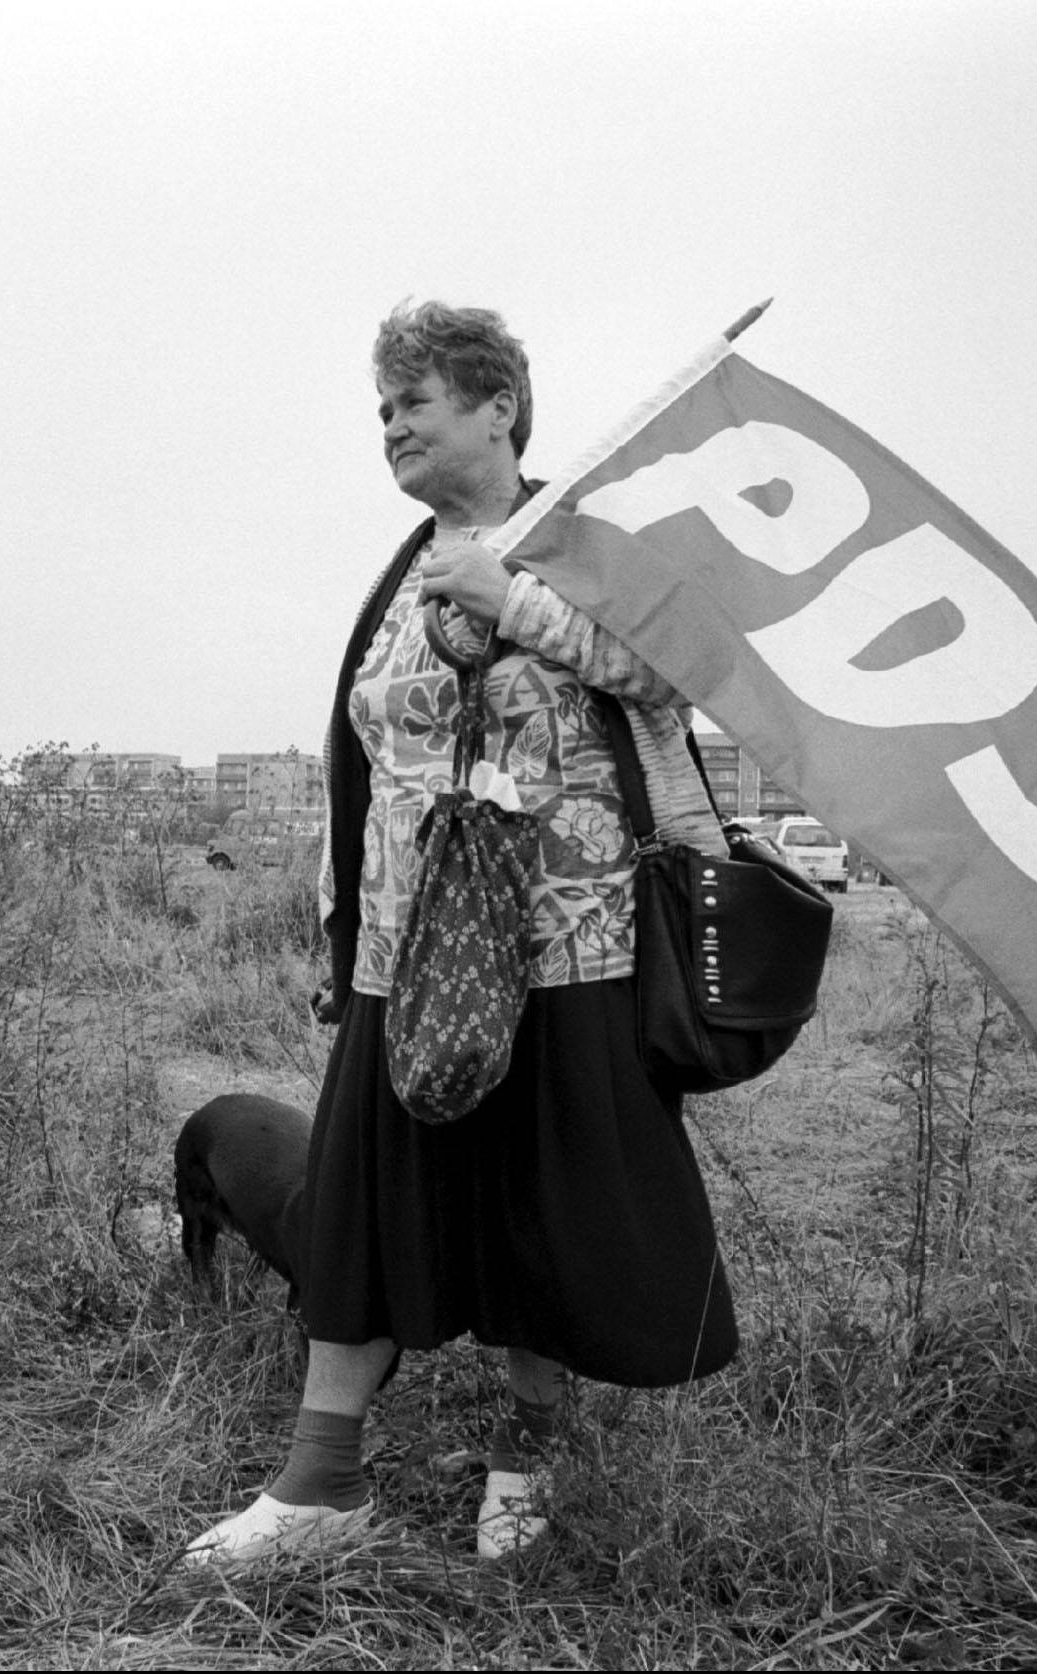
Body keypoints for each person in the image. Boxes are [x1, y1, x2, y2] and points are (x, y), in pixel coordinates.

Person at [186, 301, 737, 1566]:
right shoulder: (399, 568)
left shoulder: (583, 537)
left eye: (413, 398)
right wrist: (341, 939)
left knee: (542, 1213)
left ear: (497, 407)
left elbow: (678, 673)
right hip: (405, 959)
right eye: (381, 407)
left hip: (569, 953)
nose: (390, 423)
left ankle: (521, 1462)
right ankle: (322, 1487)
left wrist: (518, 599)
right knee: (367, 1209)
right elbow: (366, 763)